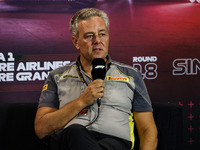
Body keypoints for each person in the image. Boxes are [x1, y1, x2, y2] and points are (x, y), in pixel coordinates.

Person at [34, 8, 158, 150]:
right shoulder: (56, 76)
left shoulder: (131, 75)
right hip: (71, 141)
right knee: (75, 131)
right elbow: (41, 129)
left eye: (102, 34)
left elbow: (148, 130)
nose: (97, 40)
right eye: (89, 36)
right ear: (76, 42)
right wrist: (81, 102)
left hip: (114, 144)